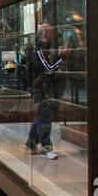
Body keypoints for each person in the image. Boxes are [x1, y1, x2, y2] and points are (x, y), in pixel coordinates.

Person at [25, 22, 64, 159]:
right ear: (45, 34)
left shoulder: (45, 47)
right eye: (52, 32)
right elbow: (48, 68)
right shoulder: (38, 49)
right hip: (41, 87)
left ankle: (31, 140)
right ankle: (46, 148)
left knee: (42, 114)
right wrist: (62, 57)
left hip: (43, 86)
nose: (54, 35)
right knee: (45, 117)